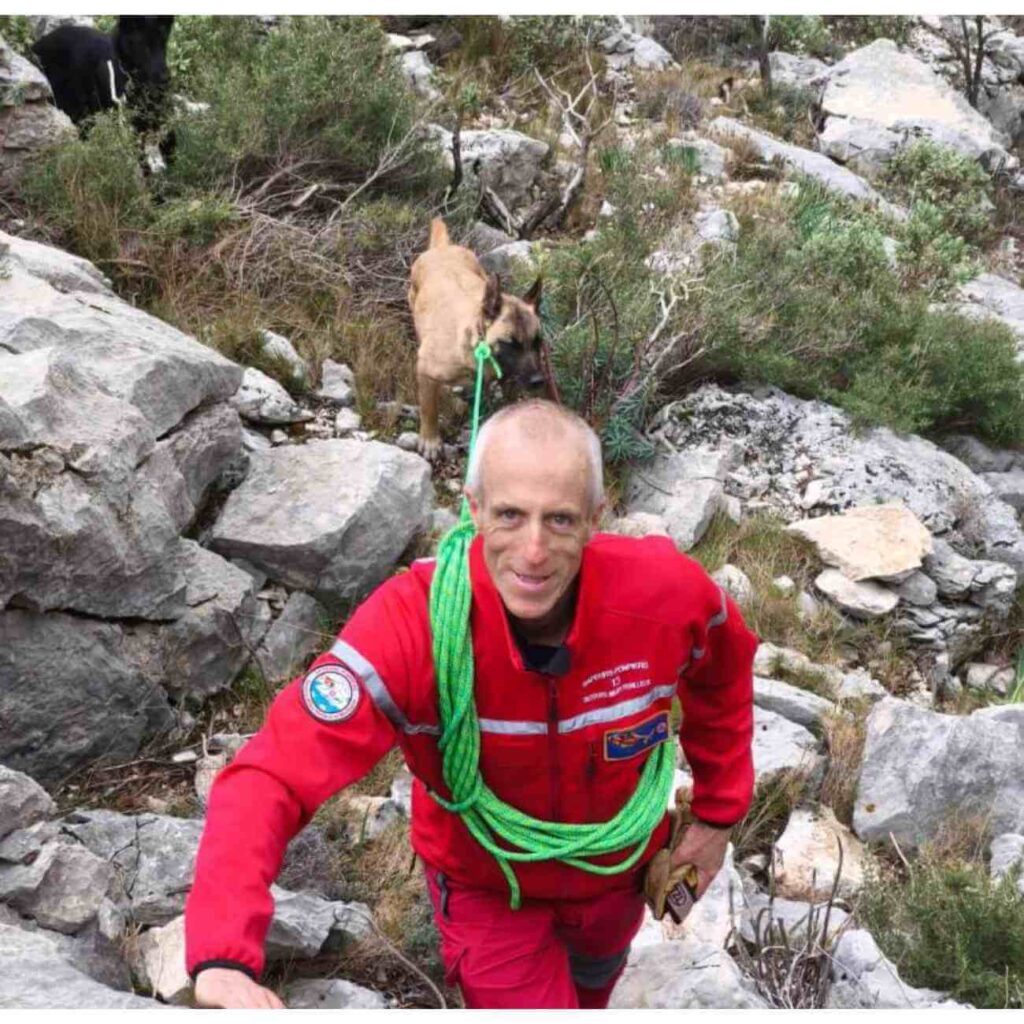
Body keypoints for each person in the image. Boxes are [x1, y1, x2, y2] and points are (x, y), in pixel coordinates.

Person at [185, 399, 757, 1009]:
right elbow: (272, 775)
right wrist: (223, 954)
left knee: (592, 993)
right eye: (510, 515)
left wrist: (718, 818)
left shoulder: (663, 596)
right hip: (490, 894)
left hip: (616, 880)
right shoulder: (413, 626)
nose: (533, 551)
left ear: (596, 518)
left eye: (560, 520)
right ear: (474, 506)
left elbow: (724, 670)